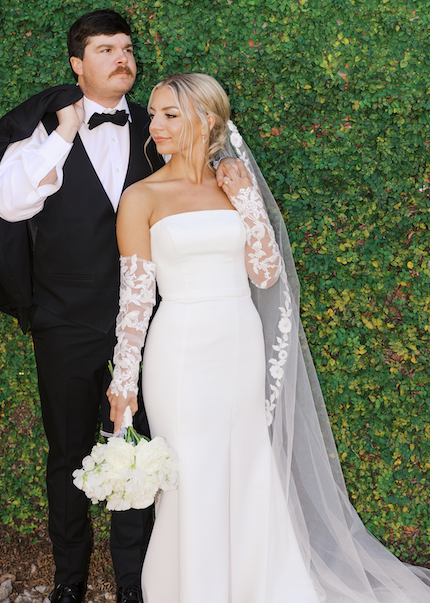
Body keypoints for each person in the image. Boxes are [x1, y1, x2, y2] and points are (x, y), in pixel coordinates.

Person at [106, 73, 430, 603]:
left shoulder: (235, 183)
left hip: (239, 342)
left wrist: (248, 202)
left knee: (248, 463)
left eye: (170, 114)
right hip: (180, 350)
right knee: (192, 474)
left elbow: (264, 272)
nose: (155, 125)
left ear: (208, 121)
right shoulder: (141, 197)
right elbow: (136, 299)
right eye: (154, 115)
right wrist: (124, 383)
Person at [0, 10, 176, 603]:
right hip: (66, 319)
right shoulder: (39, 131)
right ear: (77, 65)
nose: (122, 57)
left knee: (140, 444)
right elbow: (6, 205)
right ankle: (70, 579)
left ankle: (135, 581)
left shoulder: (157, 126)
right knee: (69, 452)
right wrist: (61, 134)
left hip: (150, 321)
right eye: (106, 49)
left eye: (127, 47)